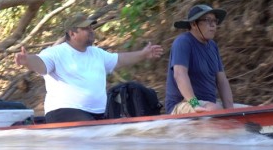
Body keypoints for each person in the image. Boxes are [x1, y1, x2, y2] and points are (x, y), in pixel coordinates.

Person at [14, 14, 164, 123]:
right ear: (72, 33)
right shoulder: (56, 53)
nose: (91, 30)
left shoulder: (97, 53)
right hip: (63, 112)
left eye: (91, 27)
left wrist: (144, 54)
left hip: (98, 114)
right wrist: (27, 60)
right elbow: (41, 65)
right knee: (91, 127)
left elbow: (120, 59)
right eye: (86, 28)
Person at [164, 4, 234, 114]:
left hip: (209, 104)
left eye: (215, 21)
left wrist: (232, 110)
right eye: (207, 20)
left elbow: (222, 81)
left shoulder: (213, 46)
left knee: (248, 111)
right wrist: (194, 104)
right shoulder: (183, 42)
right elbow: (179, 74)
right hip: (182, 104)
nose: (213, 25)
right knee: (214, 110)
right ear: (193, 24)